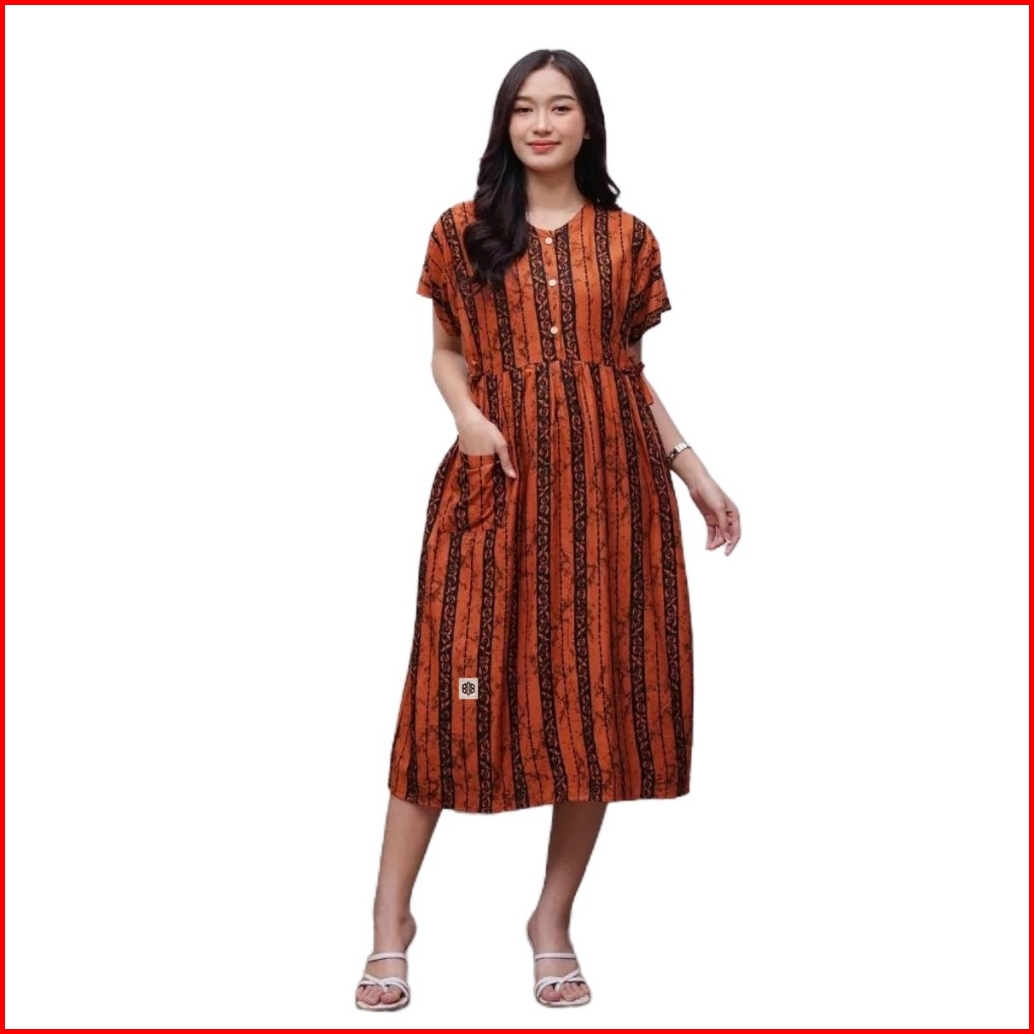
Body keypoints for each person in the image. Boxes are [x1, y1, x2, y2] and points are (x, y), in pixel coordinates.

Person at [355, 48, 741, 1012]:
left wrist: (693, 471)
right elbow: (446, 351)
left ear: (586, 123)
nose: (541, 124)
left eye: (560, 107)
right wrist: (466, 416)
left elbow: (624, 372)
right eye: (524, 108)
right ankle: (390, 922)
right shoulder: (462, 230)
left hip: (612, 497)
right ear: (505, 124)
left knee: (593, 701)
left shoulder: (630, 240)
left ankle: (552, 921)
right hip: (498, 484)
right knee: (448, 699)